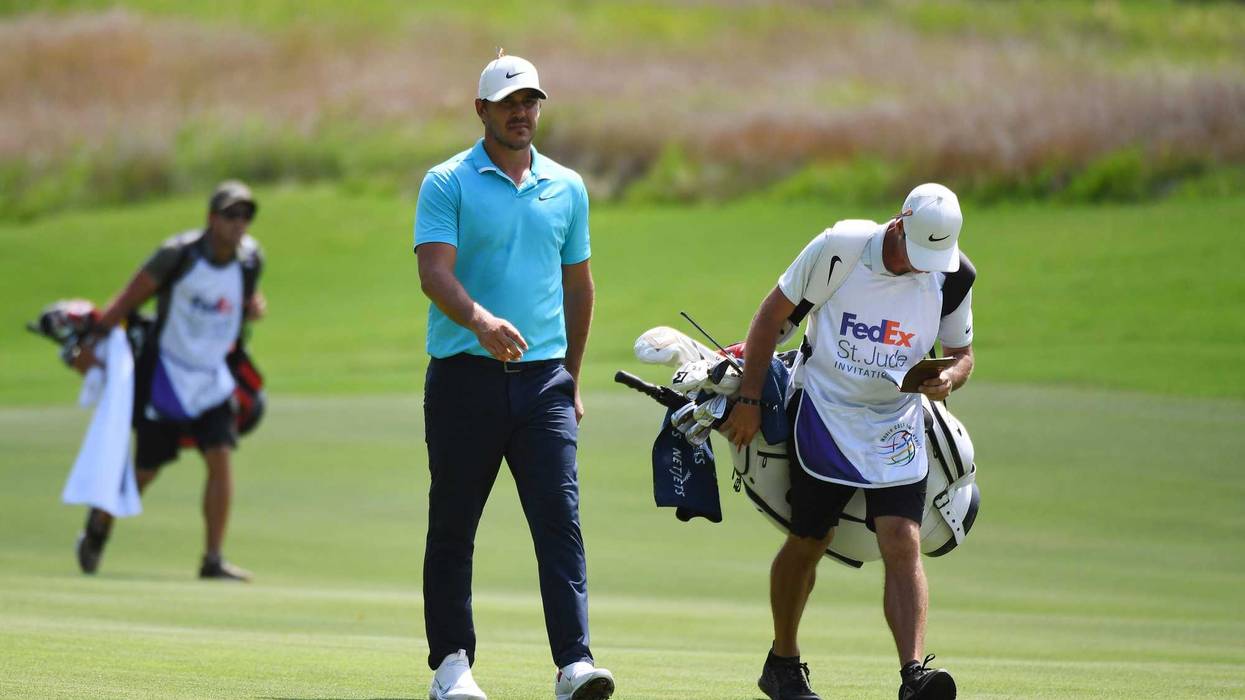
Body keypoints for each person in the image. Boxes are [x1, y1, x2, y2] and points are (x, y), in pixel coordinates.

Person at [718, 183, 976, 700]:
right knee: (811, 540)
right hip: (824, 414)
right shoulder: (841, 248)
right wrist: (748, 399)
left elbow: (962, 354)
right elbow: (771, 318)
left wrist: (948, 380)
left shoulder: (953, 275)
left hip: (897, 424)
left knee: (903, 540)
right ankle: (783, 663)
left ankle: (913, 676)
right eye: (915, 253)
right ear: (899, 222)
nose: (922, 266)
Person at [413, 51, 614, 700]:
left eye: (530, 102)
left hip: (543, 386)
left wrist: (572, 379)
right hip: (464, 377)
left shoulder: (567, 186)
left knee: (559, 523)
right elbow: (434, 273)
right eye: (509, 103)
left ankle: (573, 664)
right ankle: (451, 667)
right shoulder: (446, 182)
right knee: (453, 525)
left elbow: (578, 289)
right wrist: (479, 321)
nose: (522, 113)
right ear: (481, 111)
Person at [71, 180, 266, 582]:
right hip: (167, 375)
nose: (239, 223)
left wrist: (252, 308)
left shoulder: (250, 260)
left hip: (213, 376)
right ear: (211, 218)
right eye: (231, 214)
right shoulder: (177, 256)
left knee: (220, 457)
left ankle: (212, 559)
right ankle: (99, 527)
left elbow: (236, 306)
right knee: (146, 469)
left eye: (245, 216)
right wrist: (92, 341)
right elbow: (128, 300)